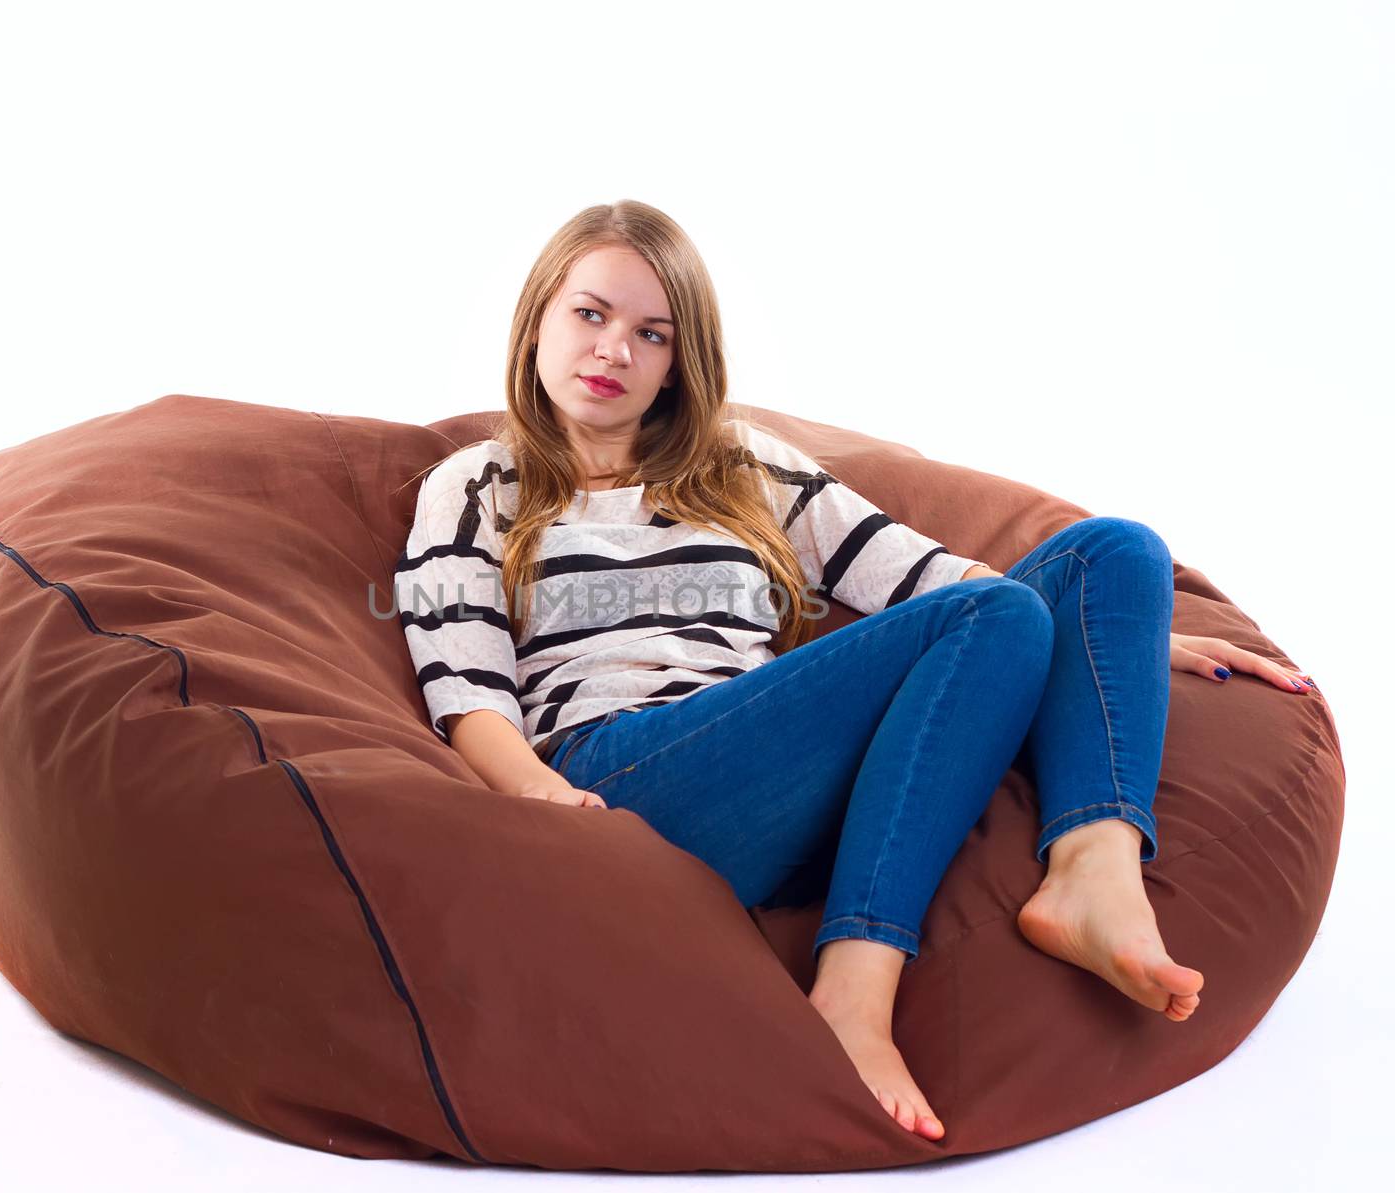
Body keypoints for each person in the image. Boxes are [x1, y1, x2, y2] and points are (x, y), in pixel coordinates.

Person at [392, 200, 1318, 1142]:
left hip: (788, 781)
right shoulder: (478, 482)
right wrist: (541, 796)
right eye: (590, 314)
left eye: (650, 333)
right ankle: (857, 984)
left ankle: (1095, 866)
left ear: (680, 359)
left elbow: (922, 573)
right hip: (627, 778)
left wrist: (1115, 638)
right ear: (540, 313)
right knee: (994, 614)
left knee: (1114, 554)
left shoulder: (738, 464)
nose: (613, 350)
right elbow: (464, 682)